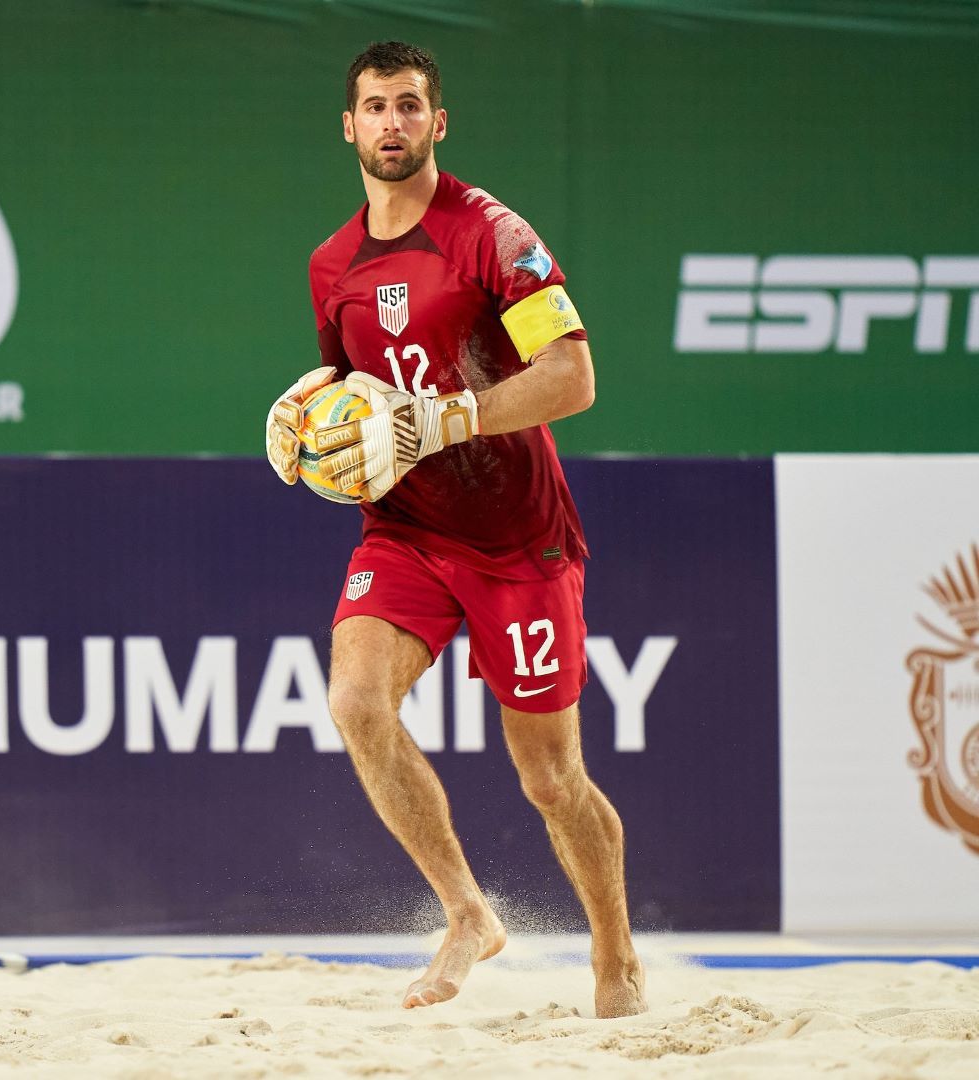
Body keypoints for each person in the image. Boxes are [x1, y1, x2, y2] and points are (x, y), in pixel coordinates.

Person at [265, 41, 646, 1019]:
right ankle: (468, 913)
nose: (391, 123)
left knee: (552, 781)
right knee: (355, 700)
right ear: (348, 128)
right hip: (403, 533)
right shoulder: (330, 265)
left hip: (519, 538)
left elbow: (576, 377)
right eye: (374, 108)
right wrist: (304, 424)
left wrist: (448, 415)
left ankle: (616, 955)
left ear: (438, 123)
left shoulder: (492, 234)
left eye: (409, 105)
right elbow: (349, 393)